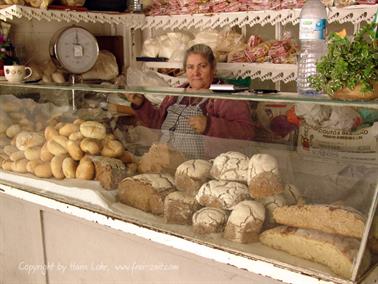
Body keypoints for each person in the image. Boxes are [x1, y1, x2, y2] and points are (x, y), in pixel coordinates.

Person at [126, 44, 255, 158]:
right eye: (190, 67)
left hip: (201, 167)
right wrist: (141, 104)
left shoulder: (225, 95)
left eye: (202, 66)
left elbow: (247, 132)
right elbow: (158, 124)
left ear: (213, 68)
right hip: (166, 160)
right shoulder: (176, 94)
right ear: (185, 70)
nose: (196, 73)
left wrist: (210, 125)